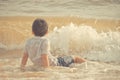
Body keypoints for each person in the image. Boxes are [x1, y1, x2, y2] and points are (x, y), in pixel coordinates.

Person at [20, 18, 85, 71]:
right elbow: (44, 57)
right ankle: (87, 65)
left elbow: (25, 56)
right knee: (74, 58)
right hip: (56, 63)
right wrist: (47, 70)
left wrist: (22, 68)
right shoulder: (45, 41)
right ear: (46, 32)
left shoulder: (28, 41)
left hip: (41, 64)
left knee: (60, 57)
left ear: (32, 31)